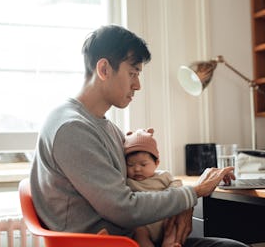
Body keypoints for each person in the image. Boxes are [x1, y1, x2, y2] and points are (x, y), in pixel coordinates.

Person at [30, 24, 248, 247]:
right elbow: (124, 208)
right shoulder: (71, 128)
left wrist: (185, 201)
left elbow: (138, 185)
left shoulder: (104, 127)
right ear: (104, 69)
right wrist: (192, 192)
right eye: (132, 73)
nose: (138, 85)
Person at [124, 127, 182, 247]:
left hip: (164, 220)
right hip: (144, 223)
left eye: (143, 164)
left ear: (156, 163)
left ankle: (169, 243)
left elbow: (177, 183)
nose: (137, 169)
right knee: (138, 231)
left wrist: (170, 193)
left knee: (173, 223)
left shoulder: (163, 176)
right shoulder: (128, 181)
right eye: (130, 165)